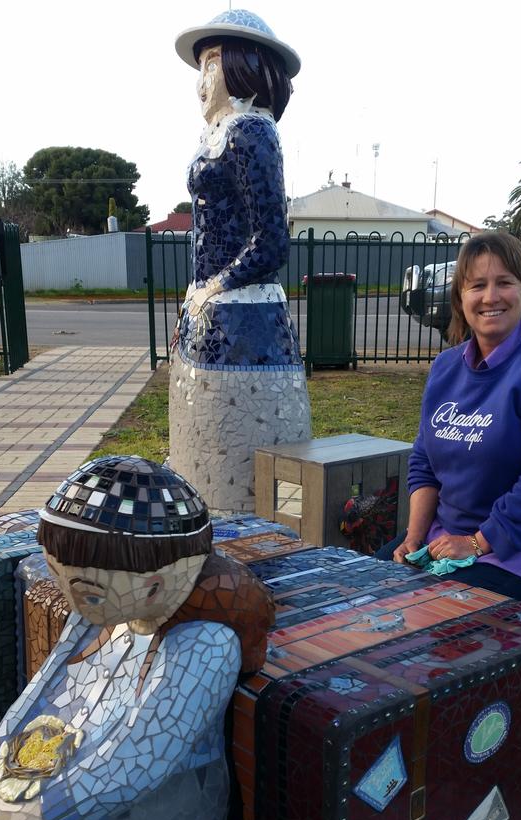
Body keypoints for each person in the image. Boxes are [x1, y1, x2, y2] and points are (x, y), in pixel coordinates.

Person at [0, 456, 274, 820]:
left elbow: (139, 764)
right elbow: (36, 696)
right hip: (72, 769)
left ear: (159, 581)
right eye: (60, 575)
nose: (73, 598)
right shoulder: (95, 614)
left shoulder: (205, 642)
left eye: (88, 589)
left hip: (166, 804)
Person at [377, 232, 521, 618]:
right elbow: (424, 463)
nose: (491, 297)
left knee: (433, 620)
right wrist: (413, 537)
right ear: (461, 297)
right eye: (477, 285)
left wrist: (475, 543)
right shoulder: (445, 367)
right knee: (371, 588)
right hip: (447, 537)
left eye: (505, 282)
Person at [169, 9, 311, 514]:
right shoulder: (219, 133)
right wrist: (199, 296)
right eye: (201, 66)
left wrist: (215, 286)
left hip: (244, 318)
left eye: (212, 63)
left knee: (235, 446)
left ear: (244, 65)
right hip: (210, 315)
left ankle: (240, 532)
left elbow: (271, 242)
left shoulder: (252, 131)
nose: (201, 80)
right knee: (199, 442)